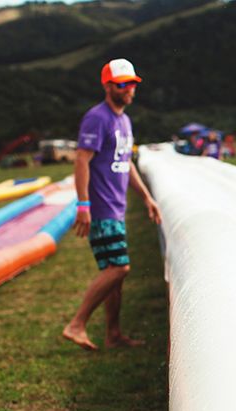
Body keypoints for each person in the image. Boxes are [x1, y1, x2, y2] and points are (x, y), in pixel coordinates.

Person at [62, 58, 162, 351]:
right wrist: (83, 204)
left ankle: (113, 334)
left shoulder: (124, 121)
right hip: (102, 208)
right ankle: (77, 324)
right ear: (108, 86)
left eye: (132, 83)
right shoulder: (98, 118)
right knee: (119, 269)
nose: (129, 89)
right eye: (122, 84)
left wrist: (146, 197)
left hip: (117, 207)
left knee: (114, 276)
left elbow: (125, 162)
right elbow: (82, 159)